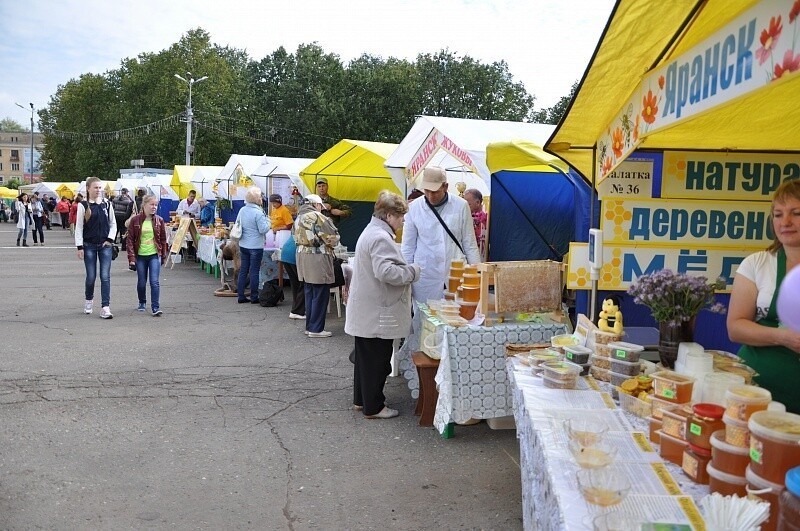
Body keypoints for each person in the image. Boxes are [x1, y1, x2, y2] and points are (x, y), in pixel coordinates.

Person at [727, 179, 800, 413]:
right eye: (778, 215)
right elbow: (736, 328)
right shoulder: (757, 264)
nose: (785, 222)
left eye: (796, 213)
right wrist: (784, 337)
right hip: (754, 391)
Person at [345, 191, 420, 419]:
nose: (403, 221)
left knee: (365, 361)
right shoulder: (380, 237)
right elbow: (386, 272)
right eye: (400, 217)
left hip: (367, 310)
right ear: (389, 215)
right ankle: (374, 407)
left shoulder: (372, 231)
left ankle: (362, 401)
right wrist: (412, 272)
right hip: (377, 312)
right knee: (377, 362)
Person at [401, 166, 481, 304]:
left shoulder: (461, 205)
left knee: (458, 317)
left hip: (455, 273)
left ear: (445, 187)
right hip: (425, 276)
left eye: (435, 192)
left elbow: (470, 243)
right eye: (427, 191)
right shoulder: (414, 208)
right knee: (424, 319)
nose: (431, 196)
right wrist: (405, 278)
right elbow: (408, 247)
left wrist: (477, 275)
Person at [294, 194, 340, 337]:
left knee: (310, 292)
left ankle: (310, 326)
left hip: (302, 256)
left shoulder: (298, 217)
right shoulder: (317, 216)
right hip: (318, 257)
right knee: (320, 293)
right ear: (317, 205)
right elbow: (331, 238)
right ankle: (316, 329)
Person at [75, 176, 117, 319]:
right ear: (88, 188)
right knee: (91, 276)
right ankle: (89, 299)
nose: (98, 190)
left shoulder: (107, 204)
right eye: (95, 187)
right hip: (89, 245)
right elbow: (79, 227)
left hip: (105, 245)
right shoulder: (83, 205)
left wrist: (110, 239)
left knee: (105, 276)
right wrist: (79, 247)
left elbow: (113, 223)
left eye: (100, 187)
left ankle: (105, 307)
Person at [126, 194, 169, 316]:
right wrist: (132, 258)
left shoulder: (159, 220)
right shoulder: (135, 220)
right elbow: (130, 240)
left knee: (154, 281)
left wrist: (163, 255)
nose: (154, 207)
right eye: (151, 204)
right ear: (144, 205)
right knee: (141, 281)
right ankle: (142, 301)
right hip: (140, 256)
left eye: (156, 205)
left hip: (154, 254)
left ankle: (155, 307)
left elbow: (163, 239)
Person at [235, 187, 271, 304]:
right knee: (254, 271)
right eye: (260, 196)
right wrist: (269, 222)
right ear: (257, 199)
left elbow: (238, 224)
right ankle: (254, 296)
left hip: (243, 244)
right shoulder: (258, 213)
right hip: (255, 245)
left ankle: (241, 295)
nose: (262, 198)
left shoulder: (242, 210)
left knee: (243, 270)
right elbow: (263, 230)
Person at [280, 231, 305, 320]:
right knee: (305, 283)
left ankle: (296, 307)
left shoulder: (300, 221)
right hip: (295, 254)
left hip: (286, 252)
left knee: (295, 283)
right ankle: (297, 311)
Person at [464, 188, 488, 257]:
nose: (464, 207)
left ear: (477, 202)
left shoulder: (486, 219)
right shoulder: (465, 216)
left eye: (468, 204)